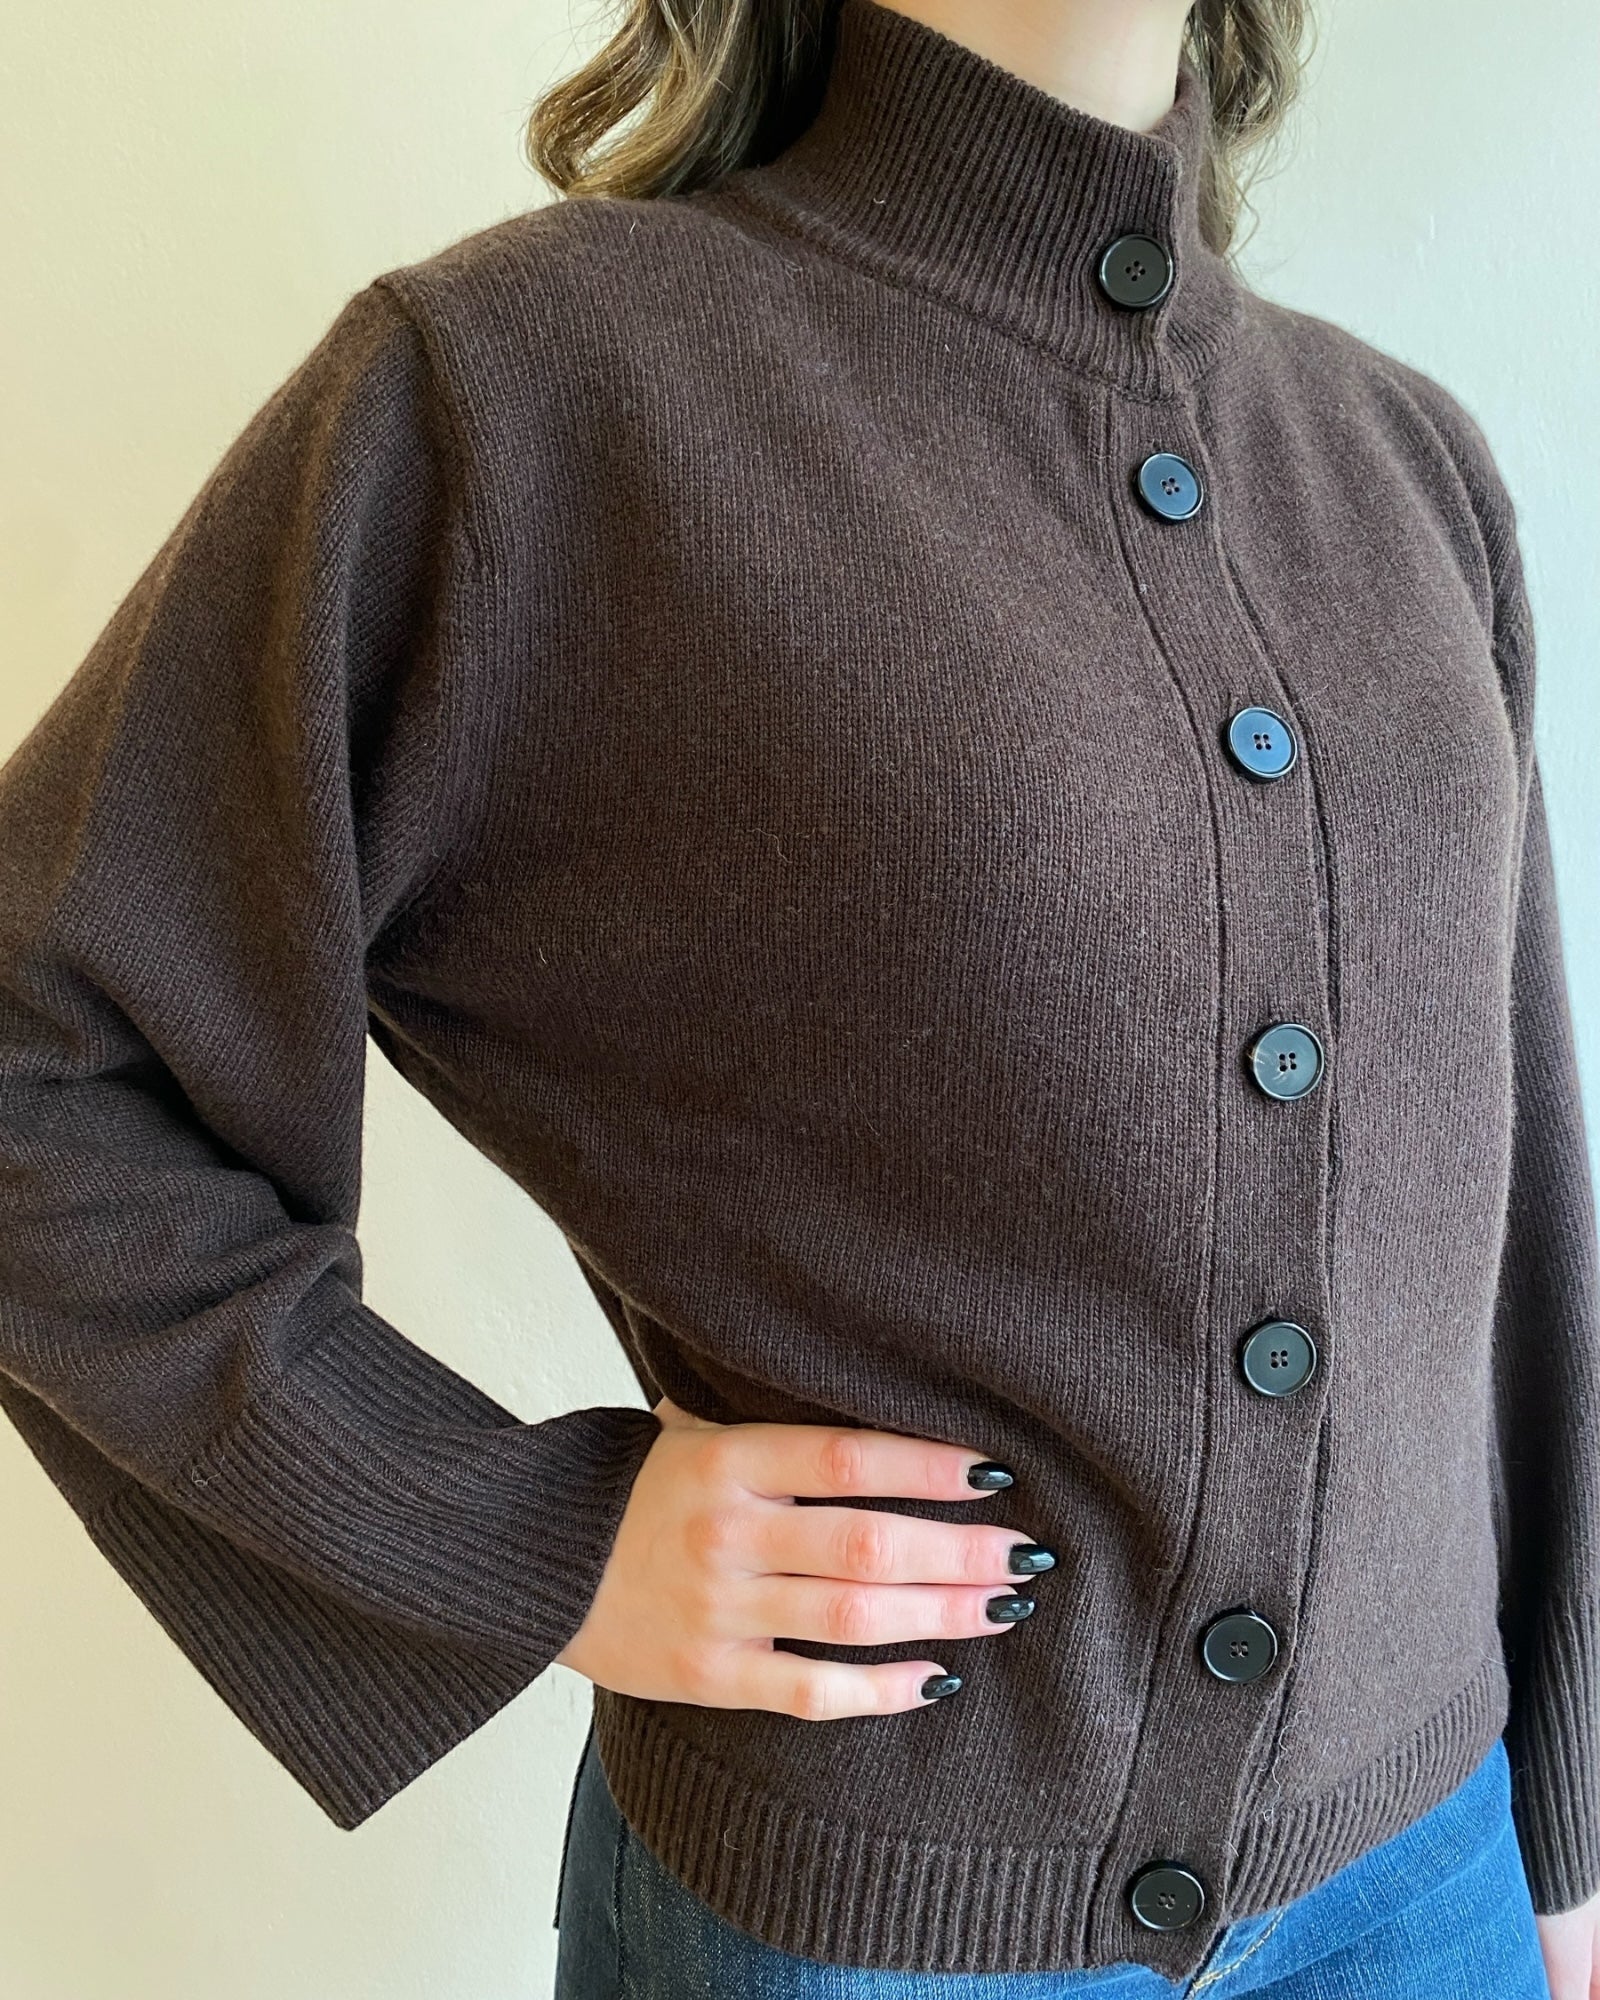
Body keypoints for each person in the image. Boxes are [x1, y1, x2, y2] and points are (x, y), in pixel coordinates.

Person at [1, 0, 1596, 1994]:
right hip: (863, 1931)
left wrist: (1566, 1822)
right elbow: (37, 1060)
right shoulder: (535, 395)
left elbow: (1512, 1200)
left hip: (1432, 1879)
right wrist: (513, 1533)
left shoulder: (1400, 460)